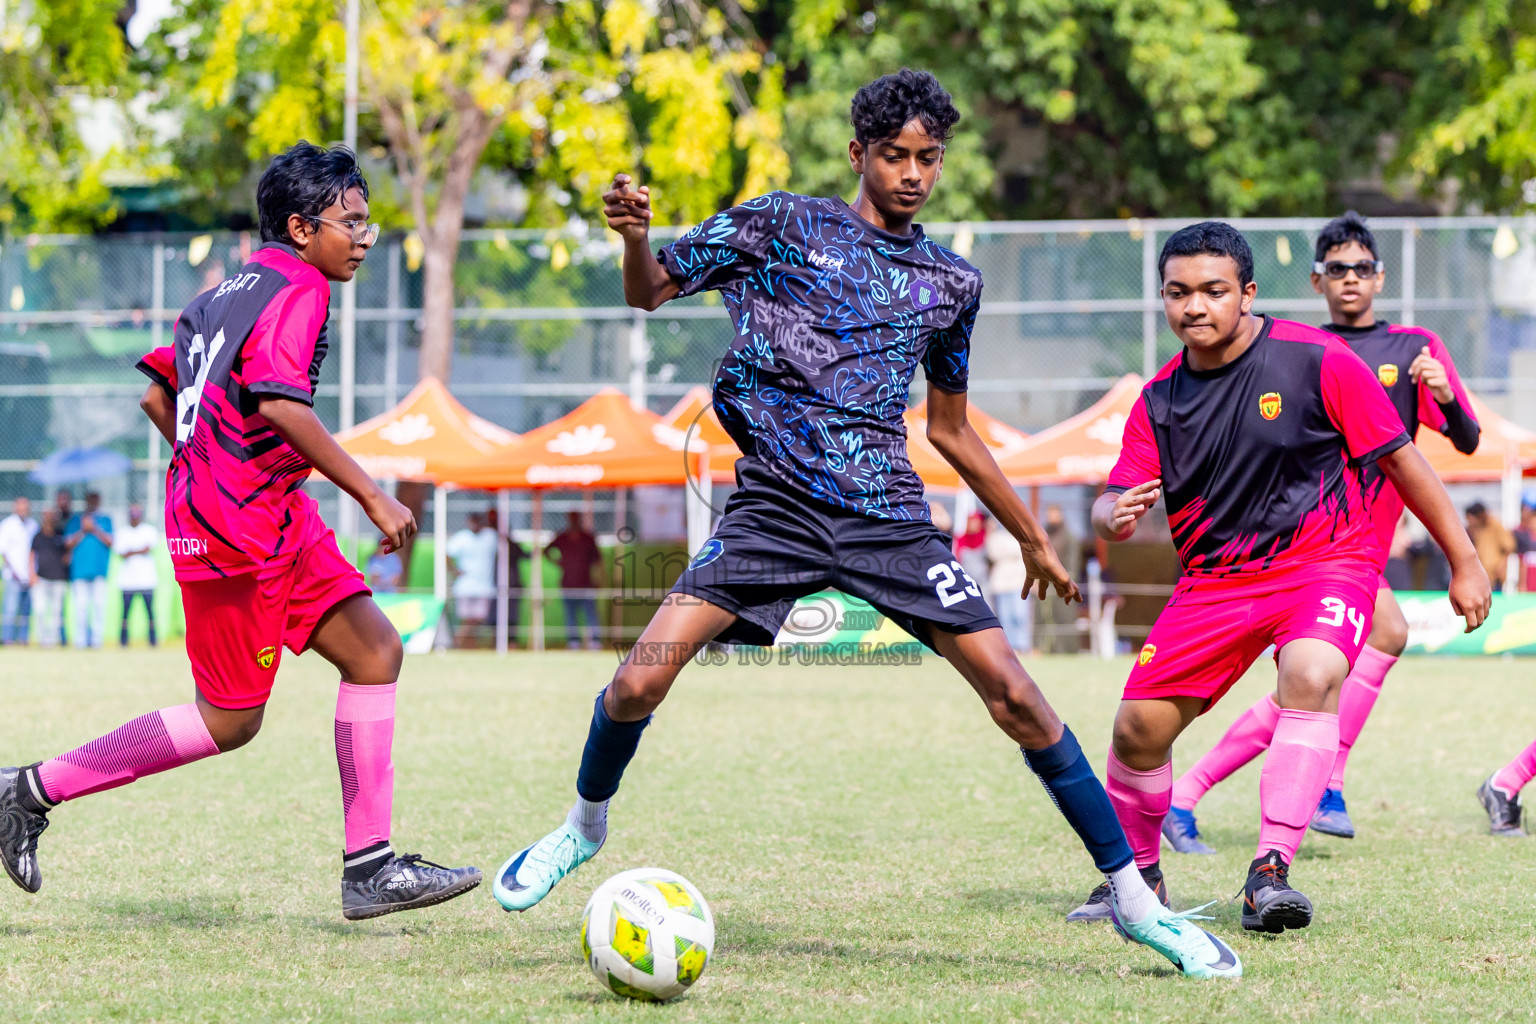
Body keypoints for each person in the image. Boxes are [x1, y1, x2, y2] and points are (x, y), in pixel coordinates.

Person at [491, 70, 1242, 979]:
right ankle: (583, 827)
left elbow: (951, 429)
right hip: (773, 509)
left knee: (1018, 697)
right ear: (858, 154)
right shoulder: (780, 225)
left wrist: (1030, 536)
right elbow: (648, 292)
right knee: (641, 677)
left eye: (929, 158)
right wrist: (637, 237)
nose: (914, 173)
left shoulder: (949, 282)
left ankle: (1132, 897)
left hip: (887, 517)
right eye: (896, 156)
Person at [0, 141, 479, 919]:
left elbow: (160, 395)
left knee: (376, 651)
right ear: (300, 227)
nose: (363, 236)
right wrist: (371, 496)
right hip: (239, 533)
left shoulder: (223, 293)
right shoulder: (299, 290)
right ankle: (25, 791)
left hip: (273, 514)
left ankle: (372, 869)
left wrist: (212, 465)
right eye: (349, 222)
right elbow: (280, 402)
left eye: (368, 223)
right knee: (230, 720)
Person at [1072, 221, 1489, 935]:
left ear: (1248, 293)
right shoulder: (1158, 400)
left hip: (1327, 565)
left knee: (1311, 673)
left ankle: (1269, 873)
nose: (1194, 307)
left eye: (1213, 291)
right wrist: (1111, 514)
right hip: (1212, 584)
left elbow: (1401, 460)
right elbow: (1117, 493)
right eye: (1177, 293)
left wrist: (1466, 558)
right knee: (1137, 731)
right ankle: (1137, 881)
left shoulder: (1316, 360)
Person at [1164, 211, 1483, 850]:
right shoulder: (1300, 349)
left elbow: (1467, 440)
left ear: (1379, 277)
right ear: (1316, 281)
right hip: (1326, 540)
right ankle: (1319, 781)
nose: (1350, 280)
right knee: (1373, 642)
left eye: (1361, 268)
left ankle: (1192, 793)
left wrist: (1443, 396)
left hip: (1372, 535)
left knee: (1312, 682)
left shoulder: (1415, 347)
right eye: (1336, 270)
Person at [547, 511, 602, 651]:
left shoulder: (587, 537)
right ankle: (573, 642)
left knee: (591, 614)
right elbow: (546, 551)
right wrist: (559, 562)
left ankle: (595, 642)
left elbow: (597, 560)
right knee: (570, 615)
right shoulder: (562, 537)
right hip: (568, 584)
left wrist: (599, 578)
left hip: (586, 583)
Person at [64, 491, 112, 649]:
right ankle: (81, 641)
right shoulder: (76, 520)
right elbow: (68, 543)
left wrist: (94, 528)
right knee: (81, 608)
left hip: (99, 570)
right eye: (89, 499)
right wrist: (83, 529)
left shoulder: (105, 520)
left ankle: (97, 641)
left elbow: (110, 542)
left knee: (99, 606)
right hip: (79, 571)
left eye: (95, 499)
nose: (92, 502)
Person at [446, 511, 497, 648]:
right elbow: (447, 553)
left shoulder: (490, 536)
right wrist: (453, 570)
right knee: (468, 619)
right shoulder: (462, 538)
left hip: (484, 587)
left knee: (478, 619)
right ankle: (463, 643)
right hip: (465, 586)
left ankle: (460, 641)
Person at [983, 513, 1033, 655]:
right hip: (1001, 583)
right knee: (1005, 617)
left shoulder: (1021, 535)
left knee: (1020, 615)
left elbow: (1021, 551)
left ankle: (1023, 645)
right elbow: (993, 553)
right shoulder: (994, 537)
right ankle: (1010, 648)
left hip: (1019, 581)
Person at [1036, 505, 1081, 654]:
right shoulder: (1045, 534)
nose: (1051, 517)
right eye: (1049, 514)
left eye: (1054, 513)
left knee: (1065, 617)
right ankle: (1049, 650)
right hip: (1048, 583)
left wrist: (1066, 580)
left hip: (1065, 583)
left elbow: (1073, 562)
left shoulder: (1068, 536)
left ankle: (1067, 651)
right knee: (1047, 617)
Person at [113, 503, 159, 647]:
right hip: (128, 580)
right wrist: (139, 550)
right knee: (125, 613)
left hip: (146, 579)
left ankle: (152, 640)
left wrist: (131, 551)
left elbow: (148, 548)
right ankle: (123, 641)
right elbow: (121, 553)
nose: (134, 517)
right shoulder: (122, 532)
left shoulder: (149, 530)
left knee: (150, 612)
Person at [486, 506, 529, 646]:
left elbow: (523, 554)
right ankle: (497, 642)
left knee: (511, 616)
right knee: (495, 616)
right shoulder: (489, 537)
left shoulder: (507, 541)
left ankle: (511, 643)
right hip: (495, 585)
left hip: (511, 584)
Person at [29, 510, 69, 647]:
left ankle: (52, 640)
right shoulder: (38, 536)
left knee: (56, 612)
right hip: (41, 579)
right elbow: (32, 555)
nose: (49, 519)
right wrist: (32, 574)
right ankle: (43, 639)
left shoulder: (61, 534)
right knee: (40, 609)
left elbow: (67, 552)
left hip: (59, 579)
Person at [0, 497, 37, 645]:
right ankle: (7, 638)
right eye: (20, 507)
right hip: (12, 576)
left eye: (25, 508)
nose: (23, 510)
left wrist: (32, 572)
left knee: (26, 611)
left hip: (29, 576)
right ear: (15, 508)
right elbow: (4, 551)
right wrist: (14, 572)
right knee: (10, 609)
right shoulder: (7, 525)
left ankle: (23, 639)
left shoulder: (33, 525)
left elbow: (35, 551)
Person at [1466, 501, 1516, 591]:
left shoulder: (1495, 525)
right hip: (1481, 573)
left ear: (1481, 515)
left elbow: (1509, 546)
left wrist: (1502, 566)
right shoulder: (1477, 528)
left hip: (1495, 574)